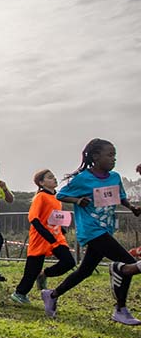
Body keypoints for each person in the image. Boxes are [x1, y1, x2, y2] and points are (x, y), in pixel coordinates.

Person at [42, 139, 141, 324]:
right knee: (128, 263)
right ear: (95, 156)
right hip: (91, 229)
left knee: (85, 271)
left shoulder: (115, 177)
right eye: (109, 155)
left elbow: (120, 197)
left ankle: (52, 295)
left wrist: (132, 208)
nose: (113, 159)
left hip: (106, 228)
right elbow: (61, 194)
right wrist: (78, 200)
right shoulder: (83, 179)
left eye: (115, 155)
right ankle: (120, 309)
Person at [11, 169, 76, 304]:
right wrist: (46, 234)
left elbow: (54, 217)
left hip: (57, 238)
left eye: (54, 176)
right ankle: (19, 293)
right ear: (41, 182)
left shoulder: (57, 198)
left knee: (69, 262)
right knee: (32, 270)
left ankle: (44, 274)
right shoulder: (40, 197)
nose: (54, 179)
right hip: (40, 238)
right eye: (50, 177)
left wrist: (61, 229)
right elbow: (33, 218)